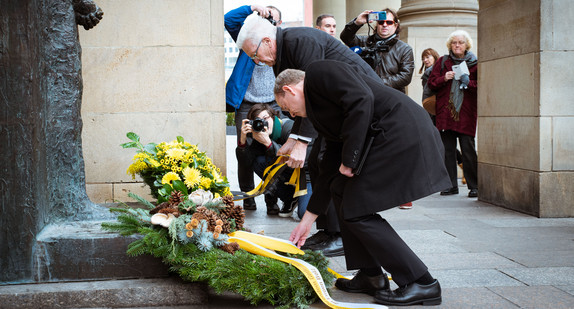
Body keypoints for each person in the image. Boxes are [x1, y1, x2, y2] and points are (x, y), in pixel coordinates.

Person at [275, 60, 450, 306]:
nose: (292, 115)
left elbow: (361, 100)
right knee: (339, 190)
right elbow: (328, 170)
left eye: (288, 109)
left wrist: (350, 159)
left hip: (401, 132)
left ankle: (422, 282)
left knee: (357, 209)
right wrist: (308, 220)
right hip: (387, 135)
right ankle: (371, 275)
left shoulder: (319, 72)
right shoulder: (323, 108)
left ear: (289, 90)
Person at [236, 14, 379, 257]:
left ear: (267, 41)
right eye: (252, 57)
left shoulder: (300, 41)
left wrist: (301, 142)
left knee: (330, 165)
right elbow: (300, 104)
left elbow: (312, 95)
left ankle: (338, 235)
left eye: (255, 53)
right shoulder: (282, 54)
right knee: (319, 163)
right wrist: (292, 140)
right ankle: (329, 230)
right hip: (339, 113)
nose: (257, 60)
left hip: (361, 110)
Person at [225, 5, 283, 211]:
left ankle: (271, 198)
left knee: (272, 148)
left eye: (272, 20)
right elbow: (228, 20)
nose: (268, 23)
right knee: (244, 149)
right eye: (265, 19)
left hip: (274, 104)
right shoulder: (249, 40)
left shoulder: (282, 46)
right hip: (246, 103)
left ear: (280, 25)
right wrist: (252, 8)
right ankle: (247, 196)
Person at [427, 30, 478, 198]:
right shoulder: (442, 62)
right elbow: (432, 83)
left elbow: (481, 86)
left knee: (468, 149)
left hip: (466, 113)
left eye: (461, 42)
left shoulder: (475, 63)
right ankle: (450, 185)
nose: (457, 45)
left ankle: (475, 186)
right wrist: (444, 78)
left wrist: (467, 82)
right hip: (446, 113)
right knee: (447, 150)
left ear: (466, 45)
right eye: (454, 42)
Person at [236, 104, 311, 215]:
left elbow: (294, 161)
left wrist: (268, 143)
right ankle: (289, 198)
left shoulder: (289, 128)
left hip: (305, 178)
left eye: (265, 118)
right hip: (288, 178)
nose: (263, 123)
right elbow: (246, 163)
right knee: (259, 162)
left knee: (303, 213)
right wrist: (243, 141)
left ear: (273, 117)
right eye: (258, 121)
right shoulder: (258, 135)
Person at [340, 8, 415, 93]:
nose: (385, 25)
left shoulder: (404, 49)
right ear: (377, 25)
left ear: (396, 25)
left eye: (389, 22)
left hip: (391, 96)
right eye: (381, 22)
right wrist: (357, 23)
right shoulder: (364, 41)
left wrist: (377, 83)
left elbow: (405, 77)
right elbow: (345, 37)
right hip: (366, 94)